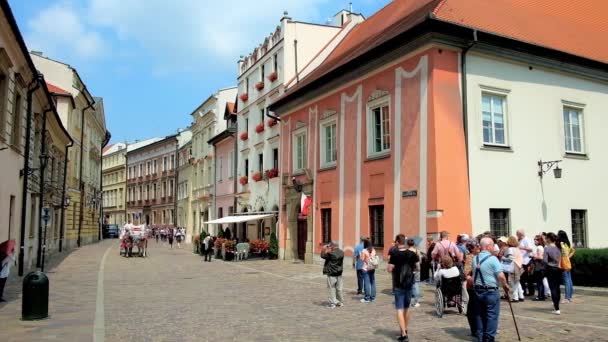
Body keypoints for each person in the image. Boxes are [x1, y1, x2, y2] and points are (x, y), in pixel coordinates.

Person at [472, 237, 510, 342]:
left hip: (478, 290)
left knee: (479, 315)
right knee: (491, 315)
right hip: (490, 291)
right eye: (493, 245)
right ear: (488, 246)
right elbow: (501, 276)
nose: (494, 247)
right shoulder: (493, 259)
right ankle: (488, 338)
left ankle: (480, 337)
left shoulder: (475, 258)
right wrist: (505, 285)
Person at [387, 234, 419, 341]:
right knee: (407, 307)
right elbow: (417, 267)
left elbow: (390, 269)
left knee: (399, 309)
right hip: (409, 283)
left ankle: (404, 334)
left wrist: (394, 267)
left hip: (398, 283)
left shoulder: (394, 254)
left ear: (397, 242)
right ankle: (405, 328)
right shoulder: (412, 253)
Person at [464, 239, 481, 339]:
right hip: (473, 286)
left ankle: (478, 328)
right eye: (476, 247)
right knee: (472, 308)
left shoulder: (479, 256)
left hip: (479, 285)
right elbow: (466, 273)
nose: (478, 248)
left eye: (479, 246)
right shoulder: (470, 257)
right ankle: (474, 329)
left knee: (475, 308)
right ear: (472, 248)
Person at [320, 241, 344, 308]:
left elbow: (322, 256)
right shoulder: (342, 252)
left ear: (332, 246)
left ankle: (332, 303)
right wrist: (330, 249)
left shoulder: (331, 253)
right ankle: (340, 302)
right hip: (339, 273)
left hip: (332, 273)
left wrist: (324, 249)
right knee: (339, 288)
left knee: (331, 288)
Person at [544, 232, 562, 314]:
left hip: (550, 268)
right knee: (557, 287)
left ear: (548, 239)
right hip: (558, 268)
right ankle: (557, 305)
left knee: (553, 288)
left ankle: (556, 308)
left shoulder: (547, 248)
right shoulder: (558, 247)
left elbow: (545, 260)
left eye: (546, 238)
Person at [502, 236, 523, 302]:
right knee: (517, 281)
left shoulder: (510, 249)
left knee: (514, 282)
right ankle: (521, 296)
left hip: (513, 266)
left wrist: (503, 258)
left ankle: (515, 297)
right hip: (519, 265)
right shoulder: (517, 249)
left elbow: (511, 258)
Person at [558, 230, 575, 304]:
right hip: (568, 262)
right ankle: (570, 296)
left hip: (564, 263)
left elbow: (563, 253)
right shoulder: (567, 243)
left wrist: (564, 257)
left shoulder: (561, 243)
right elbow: (573, 250)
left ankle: (567, 298)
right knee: (569, 280)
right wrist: (568, 257)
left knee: (566, 281)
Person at [516, 229, 535, 297]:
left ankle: (531, 292)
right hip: (522, 261)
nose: (516, 235)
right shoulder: (520, 240)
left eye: (517, 234)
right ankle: (523, 291)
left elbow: (530, 249)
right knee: (522, 278)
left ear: (520, 234)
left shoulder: (526, 240)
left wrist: (522, 247)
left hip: (527, 261)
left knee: (528, 277)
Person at [360, 239, 377, 303]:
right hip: (372, 268)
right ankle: (373, 297)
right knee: (372, 282)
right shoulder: (373, 250)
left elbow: (362, 259)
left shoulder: (364, 250)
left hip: (366, 268)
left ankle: (367, 298)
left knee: (367, 283)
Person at [407, 238, 422, 307]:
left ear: (407, 244)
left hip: (408, 271)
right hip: (415, 270)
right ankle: (416, 301)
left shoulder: (405, 252)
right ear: (413, 244)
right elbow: (419, 261)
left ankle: (408, 301)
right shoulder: (416, 251)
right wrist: (418, 269)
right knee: (416, 284)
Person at [532, 235, 547, 301]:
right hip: (540, 267)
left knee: (539, 282)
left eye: (536, 240)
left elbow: (541, 257)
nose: (534, 241)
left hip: (539, 267)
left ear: (539, 241)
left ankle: (540, 296)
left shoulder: (539, 247)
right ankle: (541, 295)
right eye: (534, 240)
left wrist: (534, 256)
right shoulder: (541, 247)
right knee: (540, 282)